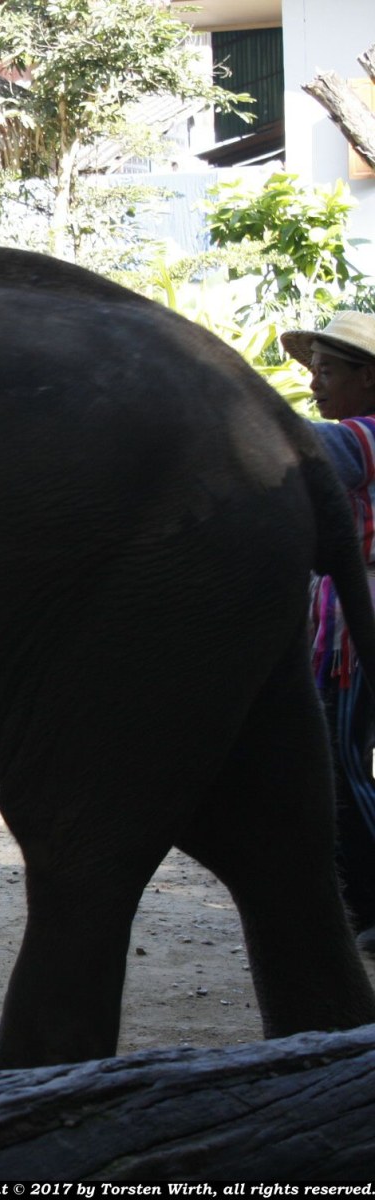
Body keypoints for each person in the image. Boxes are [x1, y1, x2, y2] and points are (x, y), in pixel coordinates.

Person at [284, 309, 375, 957]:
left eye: (327, 372)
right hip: (337, 624)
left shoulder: (365, 437)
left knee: (343, 762)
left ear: (367, 378)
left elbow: (312, 452)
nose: (314, 384)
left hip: (359, 626)